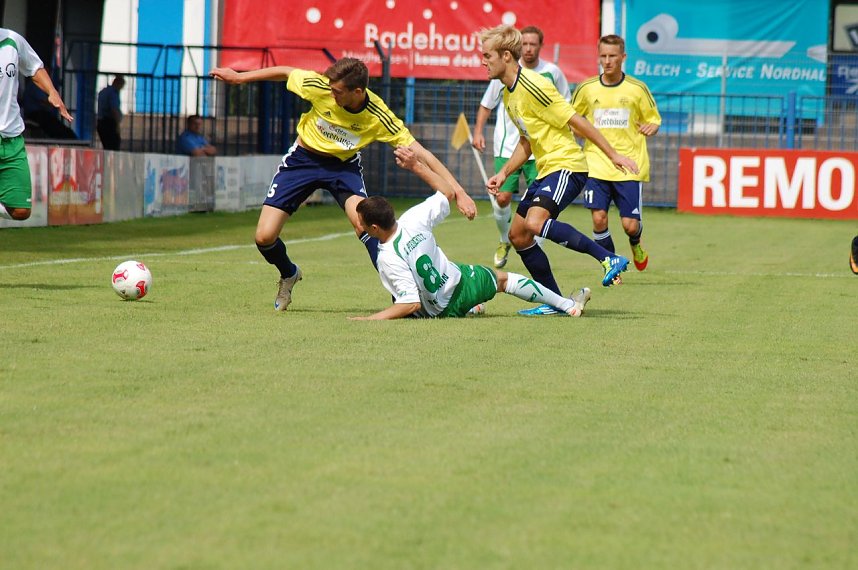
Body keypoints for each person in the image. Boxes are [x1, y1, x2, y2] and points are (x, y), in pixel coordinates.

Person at [209, 58, 476, 311]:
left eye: (337, 91)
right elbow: (287, 72)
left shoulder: (378, 116)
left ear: (357, 91)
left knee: (366, 225)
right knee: (264, 237)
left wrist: (460, 193)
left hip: (343, 168)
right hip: (303, 160)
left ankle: (403, 298)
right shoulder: (321, 87)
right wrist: (240, 78)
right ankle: (289, 274)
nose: (331, 93)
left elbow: (423, 154)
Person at [480, 25, 638, 316]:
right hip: (547, 169)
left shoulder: (534, 85)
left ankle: (608, 258)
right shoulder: (508, 95)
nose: (483, 61)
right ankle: (554, 300)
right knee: (518, 235)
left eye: (487, 55)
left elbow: (576, 121)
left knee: (535, 223)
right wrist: (504, 174)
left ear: (505, 55)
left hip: (567, 165)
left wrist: (613, 154)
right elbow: (528, 140)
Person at [349, 147, 591, 320]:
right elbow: (446, 192)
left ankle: (471, 307)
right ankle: (567, 305)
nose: (357, 225)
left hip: (442, 307)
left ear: (374, 229)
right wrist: (416, 166)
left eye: (360, 222)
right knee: (504, 280)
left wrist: (371, 318)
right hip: (461, 282)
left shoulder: (387, 257)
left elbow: (410, 303)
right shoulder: (413, 217)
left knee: (403, 299)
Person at [472, 25, 570, 269]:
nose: (528, 48)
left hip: (538, 150)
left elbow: (567, 108)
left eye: (532, 44)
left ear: (540, 46)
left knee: (539, 205)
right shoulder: (502, 74)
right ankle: (504, 239)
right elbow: (486, 105)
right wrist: (477, 132)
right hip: (508, 148)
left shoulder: (550, 74)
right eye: (524, 44)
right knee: (503, 197)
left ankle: (537, 247)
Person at [571, 34, 661, 271]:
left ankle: (635, 243)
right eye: (603, 56)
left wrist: (653, 127)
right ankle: (611, 263)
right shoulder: (587, 89)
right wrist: (576, 130)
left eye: (613, 56)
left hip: (629, 166)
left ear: (623, 57)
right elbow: (572, 118)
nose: (608, 61)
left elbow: (653, 119)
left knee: (630, 225)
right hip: (596, 164)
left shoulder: (637, 89)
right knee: (599, 218)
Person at [0, 28, 72, 221]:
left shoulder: (13, 40)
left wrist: (52, 92)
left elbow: (34, 68)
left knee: (21, 211)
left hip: (11, 139)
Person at [97, 74, 124, 150]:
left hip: (101, 122)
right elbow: (114, 109)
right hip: (109, 123)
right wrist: (117, 124)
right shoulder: (113, 93)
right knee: (114, 147)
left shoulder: (103, 91)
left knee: (107, 147)